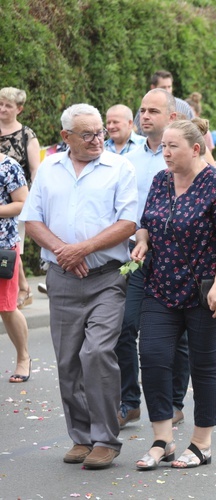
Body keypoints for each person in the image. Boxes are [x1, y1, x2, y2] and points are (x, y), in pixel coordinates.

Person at [20, 103, 138, 470]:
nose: (97, 139)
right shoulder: (50, 169)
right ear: (65, 137)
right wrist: (62, 251)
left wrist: (83, 248)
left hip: (106, 278)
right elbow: (32, 218)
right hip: (62, 278)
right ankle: (81, 437)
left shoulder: (120, 167)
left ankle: (106, 438)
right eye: (87, 134)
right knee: (68, 360)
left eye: (100, 131)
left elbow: (128, 222)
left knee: (97, 353)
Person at [132, 119, 216, 470]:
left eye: (172, 146)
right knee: (152, 356)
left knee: (204, 365)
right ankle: (162, 439)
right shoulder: (160, 180)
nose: (165, 152)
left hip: (208, 289)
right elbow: (147, 221)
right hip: (162, 284)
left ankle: (201, 443)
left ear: (195, 149)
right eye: (163, 145)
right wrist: (143, 240)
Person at [117, 88, 190, 429]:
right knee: (124, 326)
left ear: (172, 117)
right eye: (141, 110)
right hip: (137, 254)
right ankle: (129, 401)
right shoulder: (126, 157)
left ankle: (174, 403)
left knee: (177, 335)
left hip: (178, 259)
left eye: (152, 111)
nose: (143, 116)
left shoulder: (188, 156)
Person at [0, 87, 41, 310]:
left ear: (19, 109)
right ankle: (23, 287)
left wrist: (34, 200)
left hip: (18, 198)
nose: (2, 109)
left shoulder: (26, 135)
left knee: (13, 247)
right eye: (0, 104)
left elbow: (35, 170)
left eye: (8, 105)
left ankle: (22, 288)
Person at [0, 152, 30, 383]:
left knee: (7, 308)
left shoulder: (8, 166)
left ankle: (23, 357)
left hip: (2, 246)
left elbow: (22, 203)